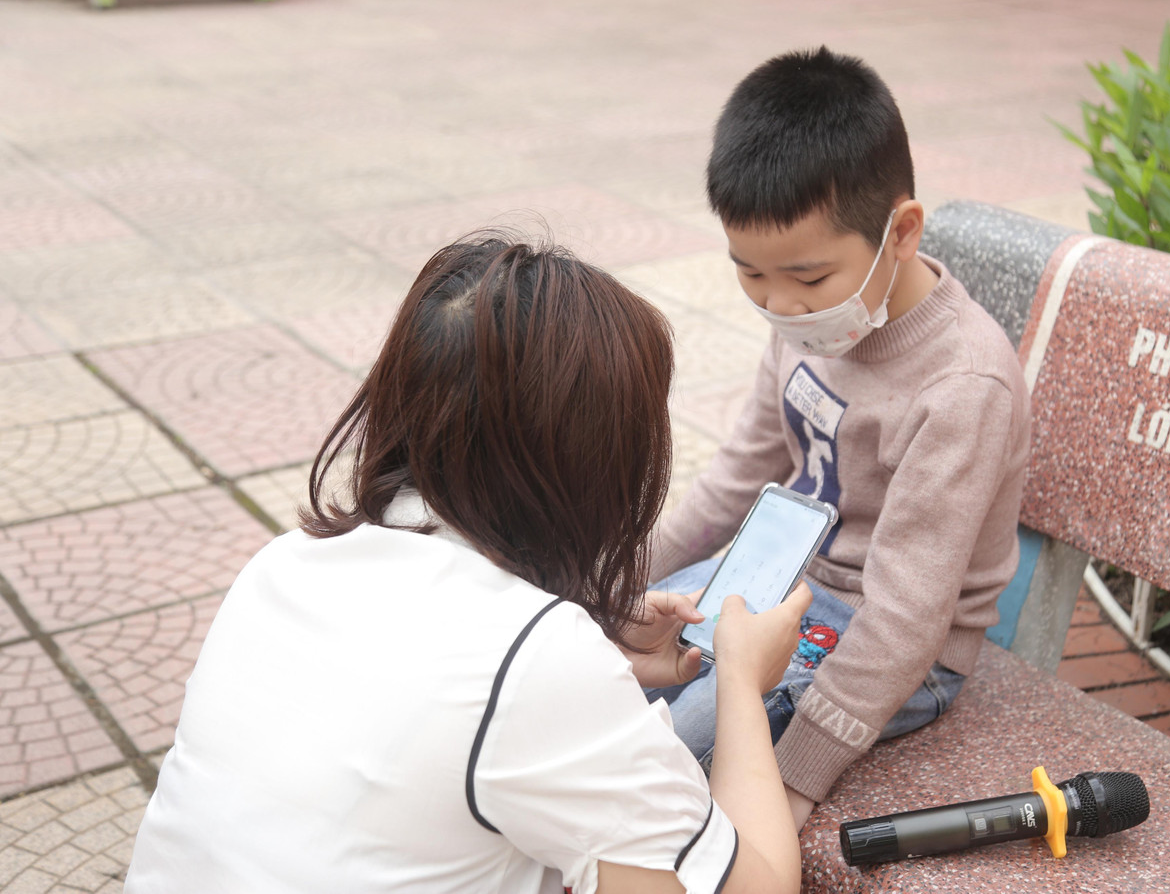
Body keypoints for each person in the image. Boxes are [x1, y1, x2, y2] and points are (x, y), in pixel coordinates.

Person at [123, 235, 808, 894]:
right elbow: (759, 885)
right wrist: (742, 683)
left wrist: (596, 645)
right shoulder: (537, 658)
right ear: (595, 463)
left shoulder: (283, 564)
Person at [645, 48, 1032, 829]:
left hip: (891, 640)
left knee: (678, 748)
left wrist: (795, 774)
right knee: (603, 671)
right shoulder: (806, 323)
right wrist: (615, 580)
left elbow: (907, 616)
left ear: (902, 232)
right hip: (782, 570)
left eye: (809, 279)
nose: (780, 304)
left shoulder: (962, 385)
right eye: (750, 275)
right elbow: (734, 481)